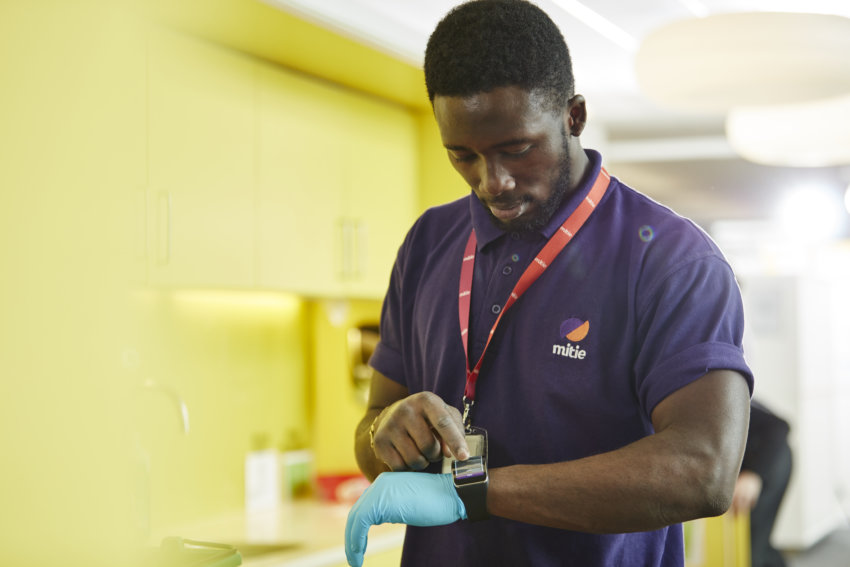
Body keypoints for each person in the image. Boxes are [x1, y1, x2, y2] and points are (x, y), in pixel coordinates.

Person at [344, 1, 753, 565]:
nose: (493, 182)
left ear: (573, 116)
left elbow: (703, 471)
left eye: (517, 149)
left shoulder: (674, 261)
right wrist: (384, 434)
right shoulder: (428, 242)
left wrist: (476, 492)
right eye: (462, 156)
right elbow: (372, 431)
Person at [731, 401, 792, 567]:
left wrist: (753, 474)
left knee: (751, 549)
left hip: (770, 459)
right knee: (754, 545)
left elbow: (779, 426)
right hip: (743, 467)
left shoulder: (723, 389)